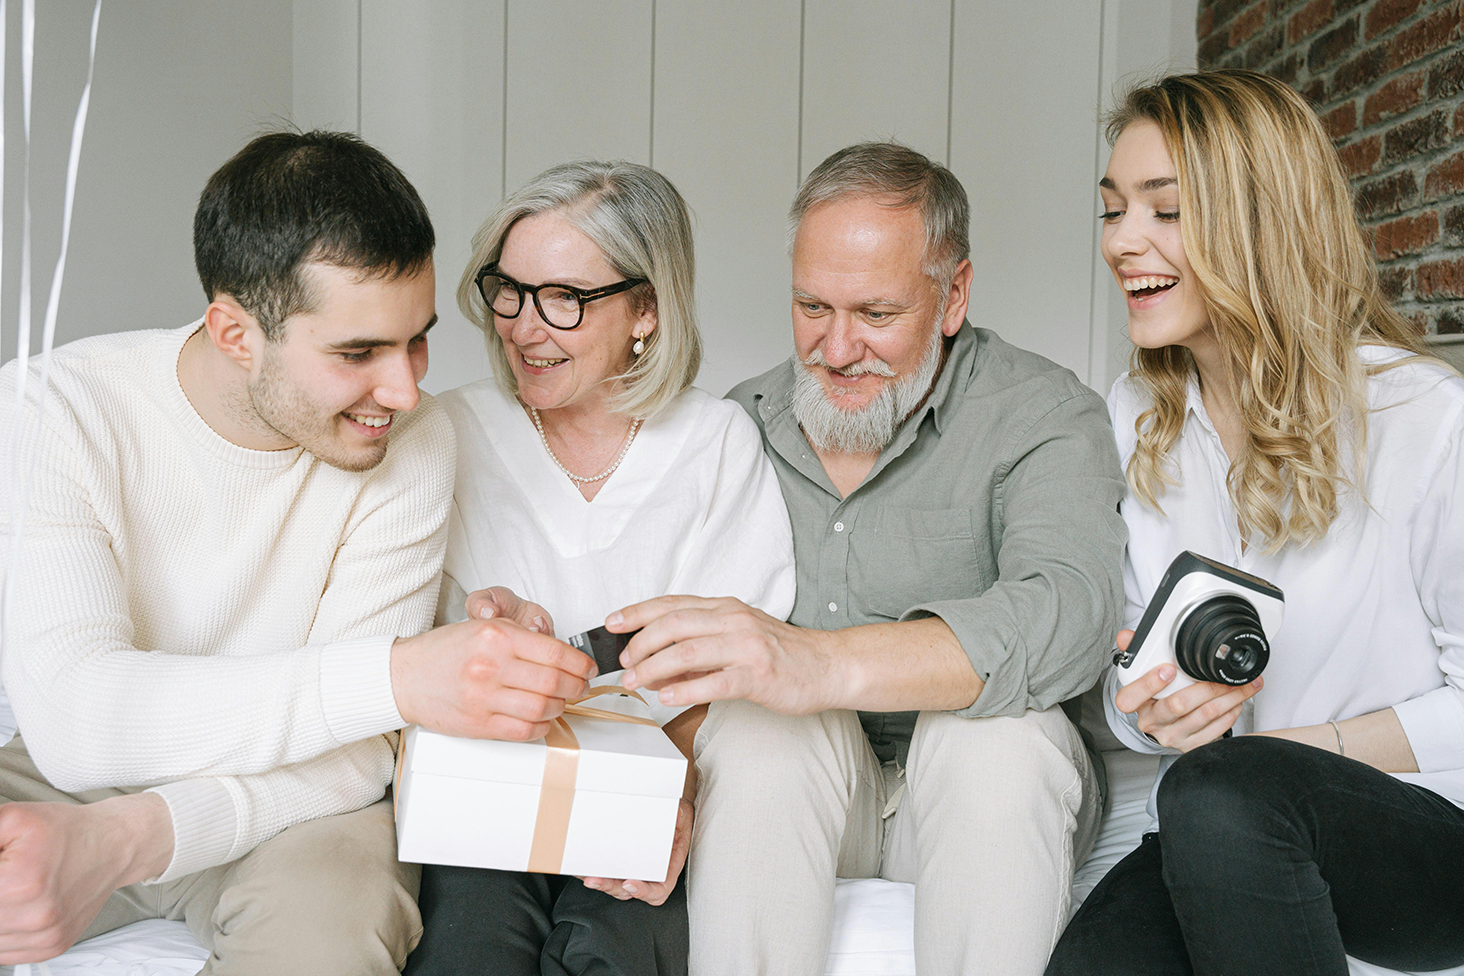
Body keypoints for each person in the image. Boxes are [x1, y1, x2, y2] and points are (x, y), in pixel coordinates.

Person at [0, 131, 597, 973]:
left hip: (295, 802)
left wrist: (130, 838)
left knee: (335, 926)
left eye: (416, 338)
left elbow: (353, 757)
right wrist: (396, 677)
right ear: (235, 332)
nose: (405, 389)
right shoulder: (55, 411)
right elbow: (72, 722)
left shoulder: (411, 441)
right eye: (357, 353)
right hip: (71, 778)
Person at [603, 142, 1128, 976]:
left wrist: (817, 662)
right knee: (759, 729)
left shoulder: (1042, 411)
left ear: (953, 295)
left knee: (997, 740)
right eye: (812, 307)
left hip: (976, 791)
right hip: (807, 795)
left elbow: (1068, 617)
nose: (837, 348)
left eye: (876, 315)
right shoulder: (740, 425)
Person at [1045, 70, 1464, 976]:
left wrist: (1285, 754)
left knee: (1227, 791)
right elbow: (1126, 681)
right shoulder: (1131, 418)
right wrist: (1152, 717)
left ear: (1261, 221)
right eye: (1113, 209)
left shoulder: (1421, 418)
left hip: (1429, 834)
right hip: (1220, 816)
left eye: (1166, 210)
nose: (1123, 241)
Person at [402, 161, 795, 976]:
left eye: (565, 300)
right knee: (469, 952)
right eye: (507, 290)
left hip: (641, 794)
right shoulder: (448, 433)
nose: (523, 326)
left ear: (646, 308)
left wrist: (678, 800)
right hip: (483, 785)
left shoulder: (715, 444)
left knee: (608, 952)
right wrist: (483, 633)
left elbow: (723, 681)